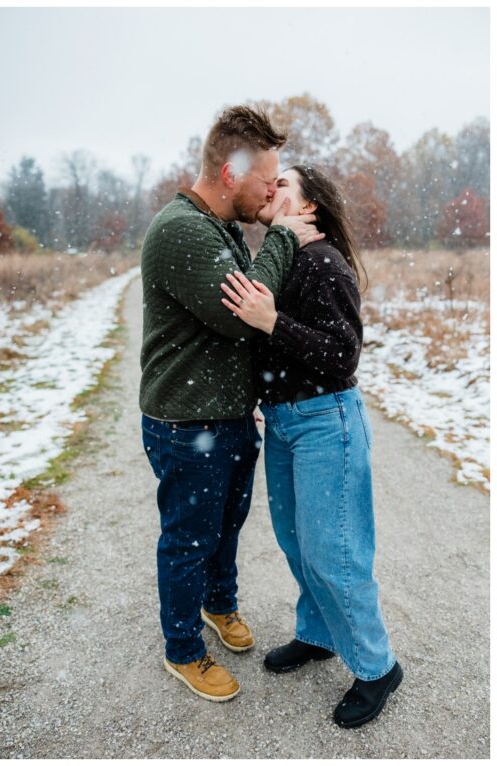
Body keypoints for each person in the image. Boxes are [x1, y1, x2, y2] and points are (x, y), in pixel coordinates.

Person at [139, 104, 324, 702]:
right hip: (187, 423)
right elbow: (242, 314)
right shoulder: (180, 230)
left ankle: (220, 606)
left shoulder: (217, 227)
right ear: (229, 175)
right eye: (267, 181)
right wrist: (283, 237)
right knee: (189, 538)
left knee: (225, 527)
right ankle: (183, 650)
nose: (273, 192)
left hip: (226, 418)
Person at [219, 164, 402, 728]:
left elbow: (342, 356)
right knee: (297, 543)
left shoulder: (323, 263)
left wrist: (273, 322)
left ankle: (377, 667)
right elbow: (266, 345)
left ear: (309, 210)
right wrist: (258, 390)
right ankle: (318, 633)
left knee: (335, 552)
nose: (271, 191)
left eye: (285, 188)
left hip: (328, 423)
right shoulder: (282, 259)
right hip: (284, 422)